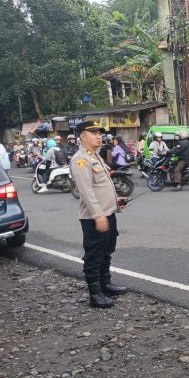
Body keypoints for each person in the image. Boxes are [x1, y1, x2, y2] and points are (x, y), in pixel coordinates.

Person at [69, 119, 128, 308]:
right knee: (94, 256)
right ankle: (95, 294)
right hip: (95, 218)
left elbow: (103, 186)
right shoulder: (80, 160)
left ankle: (106, 284)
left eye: (100, 133)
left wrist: (115, 200)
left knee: (106, 252)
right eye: (94, 133)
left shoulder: (95, 156)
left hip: (107, 213)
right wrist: (98, 215)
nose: (99, 136)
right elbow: (86, 192)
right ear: (83, 136)